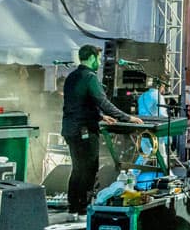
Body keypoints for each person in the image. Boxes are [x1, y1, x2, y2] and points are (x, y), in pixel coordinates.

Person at [61, 44, 143, 216]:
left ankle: (73, 207)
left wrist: (99, 117)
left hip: (70, 129)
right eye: (98, 58)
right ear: (91, 57)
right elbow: (103, 102)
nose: (99, 62)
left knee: (77, 168)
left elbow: (79, 104)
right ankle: (84, 209)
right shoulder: (90, 77)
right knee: (89, 168)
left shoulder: (72, 76)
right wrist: (127, 117)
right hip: (84, 130)